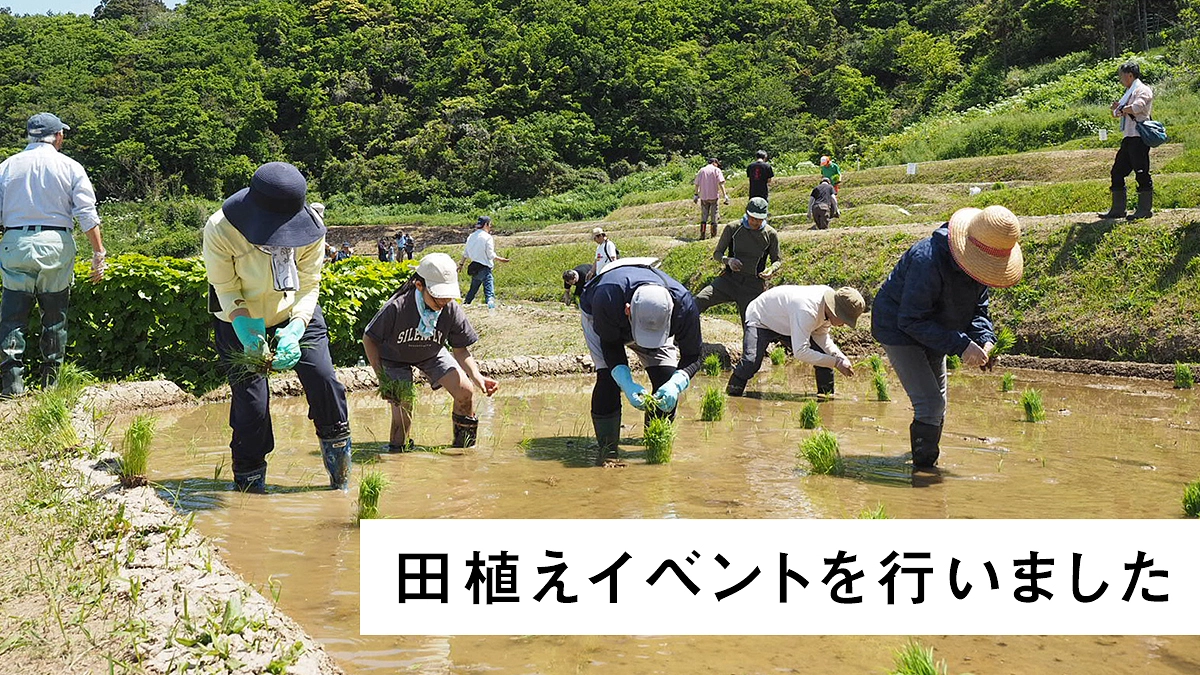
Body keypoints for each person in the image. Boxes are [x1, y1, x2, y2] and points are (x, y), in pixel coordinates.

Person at [203, 161, 351, 493]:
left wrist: (297, 327)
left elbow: (310, 283)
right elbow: (225, 288)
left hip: (295, 312)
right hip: (238, 318)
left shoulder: (312, 228)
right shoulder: (221, 228)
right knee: (251, 405)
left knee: (325, 380)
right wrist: (247, 329)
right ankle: (250, 488)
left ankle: (340, 480)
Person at [871, 205, 1023, 473]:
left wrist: (984, 339)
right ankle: (924, 475)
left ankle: (926, 459)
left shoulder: (980, 264)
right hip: (898, 327)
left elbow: (979, 310)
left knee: (939, 402)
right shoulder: (926, 260)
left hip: (937, 327)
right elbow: (911, 320)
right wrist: (962, 346)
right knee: (929, 403)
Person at [0, 113, 106, 396]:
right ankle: (51, 386)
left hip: (14, 241)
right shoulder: (70, 166)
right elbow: (86, 213)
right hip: (55, 243)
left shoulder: (7, 167)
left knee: (13, 318)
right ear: (58, 136)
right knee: (54, 316)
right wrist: (98, 253)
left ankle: (12, 389)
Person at [362, 253, 499, 452]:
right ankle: (399, 454)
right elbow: (369, 338)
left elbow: (460, 349)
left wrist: (477, 377)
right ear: (420, 286)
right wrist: (382, 376)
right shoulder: (397, 307)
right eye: (437, 299)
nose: (442, 303)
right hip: (394, 358)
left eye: (447, 297)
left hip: (431, 353)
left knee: (466, 391)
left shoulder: (450, 308)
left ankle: (463, 451)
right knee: (403, 407)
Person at [580, 258, 703, 465]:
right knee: (608, 379)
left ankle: (654, 449)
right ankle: (608, 453)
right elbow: (611, 345)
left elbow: (693, 355)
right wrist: (625, 381)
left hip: (647, 317)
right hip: (602, 315)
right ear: (628, 310)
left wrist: (676, 383)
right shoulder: (606, 297)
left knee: (665, 378)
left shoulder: (684, 305)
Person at [726, 285, 864, 398]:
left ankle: (826, 398)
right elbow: (800, 351)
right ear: (836, 311)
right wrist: (836, 363)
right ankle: (732, 394)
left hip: (789, 323)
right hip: (761, 318)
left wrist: (840, 357)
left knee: (823, 358)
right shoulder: (807, 310)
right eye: (844, 320)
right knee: (751, 362)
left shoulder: (827, 310)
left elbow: (821, 337)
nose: (843, 325)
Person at [694, 197, 782, 324]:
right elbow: (717, 254)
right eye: (752, 218)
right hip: (729, 280)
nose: (755, 222)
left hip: (753, 285)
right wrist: (728, 261)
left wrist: (771, 269)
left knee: (751, 325)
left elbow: (777, 260)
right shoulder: (733, 228)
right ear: (746, 213)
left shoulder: (770, 234)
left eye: (759, 219)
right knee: (699, 300)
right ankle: (681, 333)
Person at [1099, 61, 1155, 221]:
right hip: (1128, 138)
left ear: (1130, 75)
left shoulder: (1143, 90)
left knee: (1141, 171)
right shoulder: (1129, 92)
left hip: (1139, 138)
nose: (1120, 79)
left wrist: (1121, 108)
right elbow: (1118, 113)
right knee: (1117, 172)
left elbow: (1137, 107)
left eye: (1121, 75)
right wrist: (1119, 108)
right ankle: (1118, 210)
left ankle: (1144, 209)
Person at [460, 216, 509, 308]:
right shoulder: (487, 237)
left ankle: (466, 305)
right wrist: (501, 259)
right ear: (486, 224)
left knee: (472, 290)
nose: (490, 226)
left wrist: (461, 264)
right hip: (485, 268)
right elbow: (490, 254)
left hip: (474, 268)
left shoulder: (471, 236)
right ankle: (491, 307)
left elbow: (465, 253)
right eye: (490, 224)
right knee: (489, 291)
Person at [692, 157, 729, 239]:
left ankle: (702, 234)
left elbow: (696, 184)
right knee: (714, 216)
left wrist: (696, 194)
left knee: (704, 216)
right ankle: (713, 235)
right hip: (714, 197)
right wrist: (725, 195)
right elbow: (721, 184)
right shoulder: (716, 170)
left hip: (704, 197)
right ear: (714, 163)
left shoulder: (701, 170)